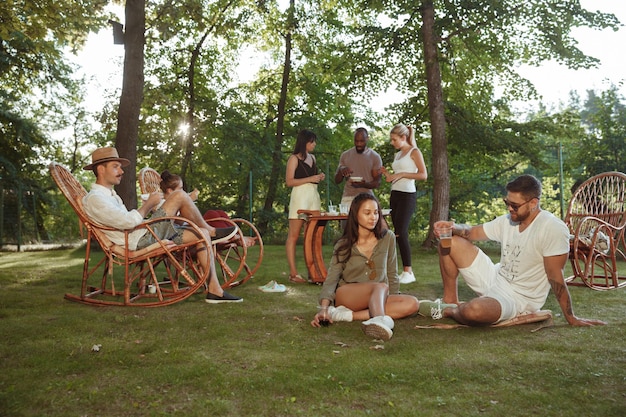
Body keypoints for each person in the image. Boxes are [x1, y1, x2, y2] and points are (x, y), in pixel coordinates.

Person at [431, 174, 606, 327]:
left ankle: (453, 311)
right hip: (495, 277)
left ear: (533, 203)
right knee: (449, 242)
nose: (509, 208)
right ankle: (450, 301)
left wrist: (571, 317)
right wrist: (452, 227)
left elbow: (556, 277)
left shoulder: (552, 228)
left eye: (514, 205)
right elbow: (470, 232)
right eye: (507, 202)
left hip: (518, 299)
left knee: (474, 311)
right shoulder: (508, 220)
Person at [82, 146, 241, 304]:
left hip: (145, 233)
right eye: (115, 167)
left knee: (201, 234)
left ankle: (214, 290)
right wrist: (149, 205)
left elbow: (126, 220)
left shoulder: (110, 195)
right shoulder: (95, 198)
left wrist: (150, 209)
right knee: (178, 195)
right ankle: (212, 230)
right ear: (101, 170)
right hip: (140, 241)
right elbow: (128, 222)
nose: (121, 171)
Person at [310, 193, 441, 341]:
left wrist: (394, 298)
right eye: (367, 213)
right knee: (380, 287)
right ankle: (380, 321)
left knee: (412, 303)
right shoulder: (343, 245)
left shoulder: (388, 238)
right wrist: (323, 308)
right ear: (355, 215)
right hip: (348, 295)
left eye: (376, 212)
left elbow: (392, 273)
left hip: (378, 296)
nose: (373, 217)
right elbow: (331, 279)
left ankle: (345, 315)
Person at [380, 124, 427, 285]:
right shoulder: (398, 155)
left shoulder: (415, 152)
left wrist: (402, 174)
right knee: (397, 234)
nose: (392, 142)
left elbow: (423, 175)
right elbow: (392, 179)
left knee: (401, 231)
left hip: (408, 195)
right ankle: (403, 271)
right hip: (395, 195)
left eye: (394, 139)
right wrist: (387, 174)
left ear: (403, 137)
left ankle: (409, 271)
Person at [285, 130, 326, 283]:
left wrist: (318, 178)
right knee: (294, 236)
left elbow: (312, 179)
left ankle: (314, 271)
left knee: (314, 236)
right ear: (304, 142)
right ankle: (293, 273)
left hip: (313, 197)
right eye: (312, 141)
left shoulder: (313, 158)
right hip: (299, 197)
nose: (314, 144)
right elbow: (289, 182)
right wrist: (311, 178)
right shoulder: (293, 159)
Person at [334, 128, 383, 211]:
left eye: (362, 141)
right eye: (356, 141)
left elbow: (377, 183)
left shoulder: (374, 157)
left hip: (367, 196)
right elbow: (337, 180)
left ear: (367, 139)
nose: (359, 144)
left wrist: (363, 184)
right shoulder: (345, 155)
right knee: (346, 224)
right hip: (348, 197)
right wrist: (341, 171)